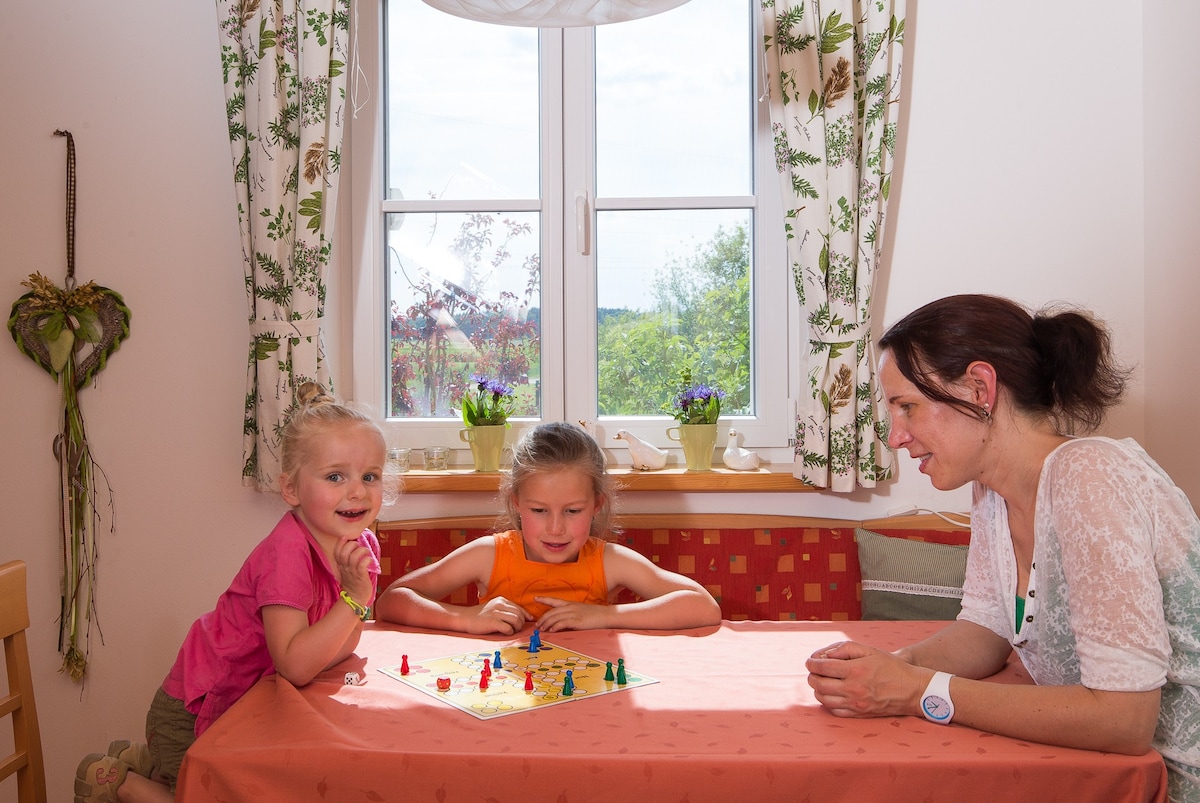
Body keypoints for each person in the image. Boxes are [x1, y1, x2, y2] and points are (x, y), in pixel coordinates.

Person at [805, 294, 1200, 802]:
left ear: (980, 388)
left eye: (908, 406)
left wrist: (915, 691)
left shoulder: (1091, 475)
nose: (896, 436)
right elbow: (985, 632)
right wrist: (887, 668)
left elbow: (1124, 722)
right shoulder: (991, 490)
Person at [74, 382, 392, 803]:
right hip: (195, 711)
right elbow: (296, 665)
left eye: (369, 476)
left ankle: (149, 762)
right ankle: (118, 782)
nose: (357, 491)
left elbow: (343, 644)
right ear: (291, 489)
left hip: (248, 703)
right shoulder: (288, 554)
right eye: (336, 476)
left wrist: (350, 606)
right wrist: (353, 599)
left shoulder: (360, 545)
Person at [375, 421, 721, 634]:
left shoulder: (608, 560)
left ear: (597, 505)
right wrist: (465, 618)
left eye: (572, 510)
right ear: (516, 504)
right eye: (539, 510)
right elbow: (391, 602)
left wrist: (602, 616)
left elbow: (702, 607)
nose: (556, 528)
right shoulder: (488, 555)